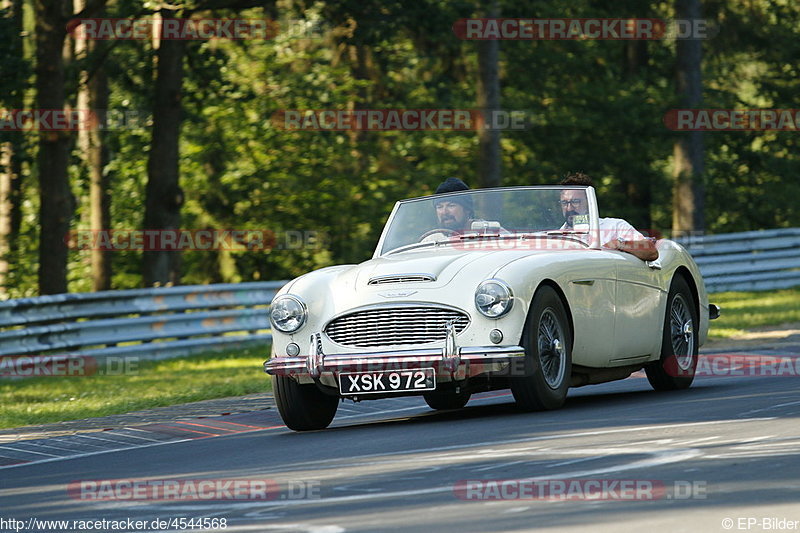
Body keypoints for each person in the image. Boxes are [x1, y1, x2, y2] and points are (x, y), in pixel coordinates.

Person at [559, 172, 659, 261]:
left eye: (575, 202)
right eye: (564, 203)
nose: (569, 208)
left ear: (590, 202)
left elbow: (651, 252)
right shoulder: (553, 236)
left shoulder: (614, 227)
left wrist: (619, 244)